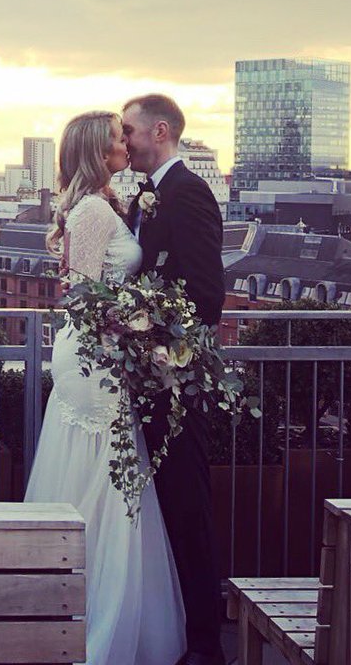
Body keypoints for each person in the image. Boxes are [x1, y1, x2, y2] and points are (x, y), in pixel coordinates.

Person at [25, 110, 186, 665]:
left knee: (107, 473)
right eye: (118, 139)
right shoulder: (93, 210)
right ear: (99, 151)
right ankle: (97, 616)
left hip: (101, 355)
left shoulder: (99, 203)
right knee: (104, 475)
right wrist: (136, 323)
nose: (126, 145)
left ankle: (86, 607)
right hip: (93, 359)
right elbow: (82, 297)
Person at [122, 94, 226, 665]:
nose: (124, 141)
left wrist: (156, 345)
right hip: (150, 380)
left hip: (176, 384)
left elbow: (206, 297)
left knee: (188, 507)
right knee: (165, 506)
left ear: (159, 131)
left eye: (129, 131)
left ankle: (207, 645)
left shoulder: (188, 192)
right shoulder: (148, 194)